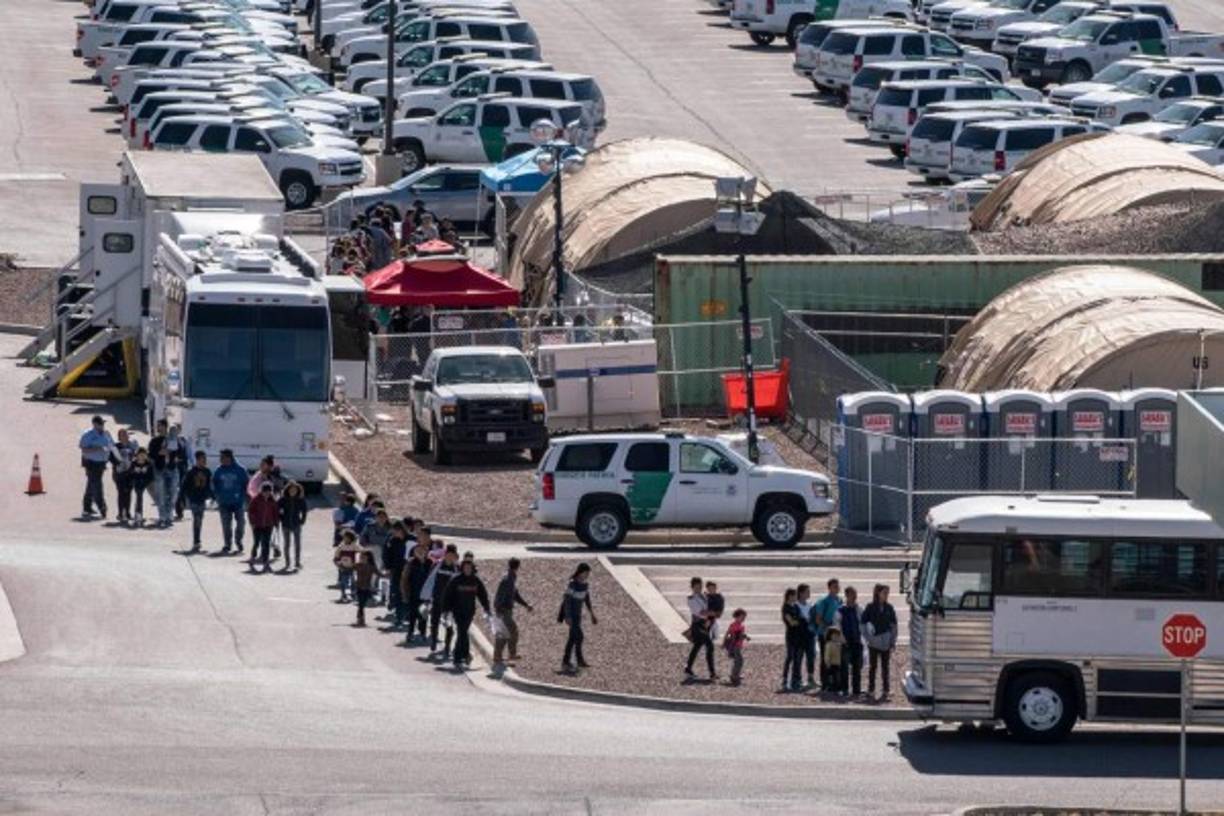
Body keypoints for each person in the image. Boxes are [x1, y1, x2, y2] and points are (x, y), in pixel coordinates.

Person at [442, 557, 490, 669]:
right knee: (462, 632)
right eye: (465, 567)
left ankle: (465, 655)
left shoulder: (475, 580)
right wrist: (446, 610)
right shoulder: (455, 580)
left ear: (472, 569)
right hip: (457, 611)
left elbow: (482, 595)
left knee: (463, 632)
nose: (467, 569)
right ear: (462, 568)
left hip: (470, 611)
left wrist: (486, 608)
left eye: (469, 568)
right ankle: (458, 657)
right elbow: (447, 595)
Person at [492, 558, 533, 665]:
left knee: (506, 632)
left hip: (506, 610)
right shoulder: (507, 579)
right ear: (518, 567)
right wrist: (499, 609)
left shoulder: (511, 578)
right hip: (503, 610)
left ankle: (501, 656)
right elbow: (500, 596)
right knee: (510, 632)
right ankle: (506, 655)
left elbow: (515, 595)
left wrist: (525, 605)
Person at [558, 562, 597, 672]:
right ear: (580, 572)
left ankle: (569, 662)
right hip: (572, 616)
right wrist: (568, 616)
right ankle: (571, 661)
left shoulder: (585, 585)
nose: (587, 575)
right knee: (578, 636)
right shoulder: (572, 584)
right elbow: (567, 601)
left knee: (573, 638)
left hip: (578, 616)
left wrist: (592, 613)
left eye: (588, 574)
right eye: (586, 573)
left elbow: (586, 599)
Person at [862, 583, 899, 700]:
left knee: (885, 667)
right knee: (873, 667)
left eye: (887, 593)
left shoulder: (890, 608)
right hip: (874, 642)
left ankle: (886, 690)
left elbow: (894, 625)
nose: (887, 595)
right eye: (885, 593)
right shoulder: (870, 607)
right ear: (878, 593)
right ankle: (871, 690)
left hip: (886, 642)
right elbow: (863, 624)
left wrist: (892, 641)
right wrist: (868, 638)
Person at [147, 419, 184, 528]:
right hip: (159, 469)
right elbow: (151, 454)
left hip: (172, 469)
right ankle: (163, 516)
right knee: (161, 494)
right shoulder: (155, 440)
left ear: (165, 426)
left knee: (173, 493)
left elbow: (181, 452)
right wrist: (160, 452)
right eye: (157, 426)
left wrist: (176, 442)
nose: (158, 428)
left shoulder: (174, 439)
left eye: (159, 426)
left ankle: (169, 514)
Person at [425, 545, 460, 659]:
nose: (450, 557)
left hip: (450, 602)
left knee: (449, 625)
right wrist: (428, 596)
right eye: (448, 554)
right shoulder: (437, 565)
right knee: (434, 622)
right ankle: (434, 641)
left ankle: (447, 646)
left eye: (452, 555)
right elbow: (430, 580)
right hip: (437, 599)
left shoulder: (457, 568)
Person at [211, 449, 247, 555]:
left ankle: (238, 541)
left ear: (229, 458)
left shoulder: (240, 470)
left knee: (241, 523)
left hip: (238, 502)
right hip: (224, 503)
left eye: (222, 458)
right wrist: (216, 496)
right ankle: (227, 544)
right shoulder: (219, 470)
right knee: (226, 525)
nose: (220, 460)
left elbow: (246, 484)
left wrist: (243, 497)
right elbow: (214, 484)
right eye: (220, 458)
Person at [78, 415, 114, 519]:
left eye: (103, 423)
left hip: (101, 463)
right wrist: (96, 448)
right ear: (94, 424)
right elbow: (83, 448)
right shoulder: (88, 435)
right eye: (100, 424)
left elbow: (111, 445)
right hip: (91, 462)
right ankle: (102, 506)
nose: (102, 425)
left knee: (91, 484)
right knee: (97, 484)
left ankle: (87, 507)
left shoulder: (106, 434)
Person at [179, 451, 213, 553]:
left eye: (205, 459)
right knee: (197, 518)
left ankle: (197, 539)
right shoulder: (191, 472)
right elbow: (184, 486)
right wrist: (182, 499)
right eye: (203, 459)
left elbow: (209, 486)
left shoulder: (207, 471)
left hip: (202, 499)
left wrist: (213, 497)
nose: (204, 461)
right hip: (193, 498)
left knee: (200, 519)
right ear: (197, 460)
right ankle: (196, 541)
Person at [401, 538, 432, 644]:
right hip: (413, 593)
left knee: (424, 614)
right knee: (413, 614)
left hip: (425, 595)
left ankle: (422, 633)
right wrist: (405, 593)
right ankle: (410, 633)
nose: (421, 552)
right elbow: (404, 579)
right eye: (418, 550)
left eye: (423, 550)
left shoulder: (430, 563)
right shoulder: (411, 563)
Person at [684, 577, 716, 680]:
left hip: (704, 624)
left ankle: (688, 668)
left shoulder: (703, 596)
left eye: (700, 586)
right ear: (692, 587)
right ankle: (712, 673)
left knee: (697, 646)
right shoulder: (691, 599)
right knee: (710, 646)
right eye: (696, 587)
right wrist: (711, 614)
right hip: (698, 625)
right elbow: (700, 613)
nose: (698, 588)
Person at [813, 578, 842, 690]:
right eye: (835, 586)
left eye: (838, 586)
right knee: (826, 658)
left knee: (835, 658)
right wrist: (828, 628)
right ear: (829, 588)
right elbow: (818, 619)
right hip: (825, 633)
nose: (837, 588)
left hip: (836, 634)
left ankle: (834, 682)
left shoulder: (839, 600)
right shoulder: (823, 601)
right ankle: (824, 682)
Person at [382, 519, 409, 626]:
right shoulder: (391, 541)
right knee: (397, 593)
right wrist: (388, 567)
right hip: (396, 570)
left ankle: (407, 615)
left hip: (409, 571)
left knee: (407, 593)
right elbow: (386, 554)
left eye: (395, 530)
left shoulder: (411, 539)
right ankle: (399, 617)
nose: (393, 533)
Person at [247, 482, 279, 573]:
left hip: (268, 525)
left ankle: (265, 560)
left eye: (269, 491)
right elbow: (251, 511)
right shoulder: (256, 499)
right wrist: (252, 522)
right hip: (257, 525)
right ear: (261, 491)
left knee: (266, 543)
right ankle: (253, 556)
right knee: (256, 542)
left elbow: (275, 512)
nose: (267, 493)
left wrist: (276, 523)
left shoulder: (272, 501)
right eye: (265, 491)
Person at [839, 586, 864, 697]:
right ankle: (844, 689)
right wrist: (842, 638)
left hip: (857, 641)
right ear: (847, 595)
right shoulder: (841, 610)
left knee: (857, 667)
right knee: (844, 667)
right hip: (845, 642)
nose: (854, 597)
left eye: (855, 594)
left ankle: (856, 690)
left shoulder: (859, 609)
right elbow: (837, 625)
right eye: (852, 594)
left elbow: (863, 624)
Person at [278, 480, 308, 571]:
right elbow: (277, 509)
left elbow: (304, 511)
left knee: (297, 544)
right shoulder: (283, 499)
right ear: (288, 490)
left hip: (296, 524)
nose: (293, 491)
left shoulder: (300, 500)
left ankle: (297, 562)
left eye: (295, 490)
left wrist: (302, 520)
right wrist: (281, 518)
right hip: (286, 524)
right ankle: (287, 563)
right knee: (287, 544)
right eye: (291, 490)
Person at [110, 428, 138, 524]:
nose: (124, 436)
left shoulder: (132, 446)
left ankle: (128, 512)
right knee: (121, 492)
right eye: (122, 435)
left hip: (130, 473)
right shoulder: (115, 447)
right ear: (119, 437)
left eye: (125, 434)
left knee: (128, 493)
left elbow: (136, 457)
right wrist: (118, 463)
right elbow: (111, 458)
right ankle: (121, 513)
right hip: (119, 473)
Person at [781, 588, 804, 692]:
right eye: (795, 595)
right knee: (790, 657)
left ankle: (795, 680)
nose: (796, 597)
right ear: (790, 596)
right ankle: (785, 679)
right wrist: (798, 621)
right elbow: (791, 622)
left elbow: (799, 619)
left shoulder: (796, 607)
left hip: (798, 635)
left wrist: (798, 621)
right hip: (790, 635)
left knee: (797, 658)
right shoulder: (785, 607)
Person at [353, 550, 384, 627]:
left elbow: (379, 574)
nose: (361, 558)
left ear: (368, 558)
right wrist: (340, 565)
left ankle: (360, 618)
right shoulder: (357, 565)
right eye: (360, 557)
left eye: (363, 557)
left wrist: (388, 574)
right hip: (359, 587)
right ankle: (360, 619)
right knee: (361, 604)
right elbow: (348, 568)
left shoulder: (371, 567)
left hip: (367, 588)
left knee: (362, 604)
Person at [333, 529, 364, 603]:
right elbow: (336, 556)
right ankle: (343, 594)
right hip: (343, 567)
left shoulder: (354, 546)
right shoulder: (341, 546)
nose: (345, 539)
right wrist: (338, 564)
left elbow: (362, 551)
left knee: (353, 580)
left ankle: (353, 593)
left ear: (351, 538)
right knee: (343, 581)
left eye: (347, 537)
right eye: (344, 537)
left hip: (352, 567)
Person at [796, 584, 817, 689]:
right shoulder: (795, 606)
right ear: (801, 593)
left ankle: (810, 678)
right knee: (798, 657)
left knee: (811, 657)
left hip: (810, 635)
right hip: (799, 637)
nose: (809, 593)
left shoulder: (810, 605)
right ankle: (797, 679)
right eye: (807, 591)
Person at [723, 608, 750, 687]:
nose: (744, 619)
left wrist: (745, 637)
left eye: (744, 617)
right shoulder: (734, 625)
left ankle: (735, 674)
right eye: (742, 617)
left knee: (737, 661)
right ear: (737, 617)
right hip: (735, 646)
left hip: (739, 645)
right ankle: (734, 676)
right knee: (739, 661)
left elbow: (740, 634)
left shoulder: (740, 625)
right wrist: (725, 643)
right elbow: (730, 634)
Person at [128, 447, 155, 526]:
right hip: (137, 482)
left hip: (146, 482)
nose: (142, 457)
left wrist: (146, 478)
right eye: (140, 455)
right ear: (137, 455)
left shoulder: (149, 464)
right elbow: (130, 473)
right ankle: (138, 514)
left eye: (144, 455)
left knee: (153, 496)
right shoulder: (134, 463)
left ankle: (139, 514)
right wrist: (134, 472)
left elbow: (151, 476)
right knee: (139, 497)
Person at [823, 623, 846, 695]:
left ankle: (837, 688)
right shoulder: (829, 644)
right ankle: (831, 688)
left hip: (839, 663)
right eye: (834, 635)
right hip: (832, 664)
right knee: (832, 677)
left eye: (837, 635)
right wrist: (827, 662)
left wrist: (840, 633)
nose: (836, 637)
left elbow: (844, 641)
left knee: (838, 677)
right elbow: (827, 655)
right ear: (830, 636)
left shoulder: (839, 644)